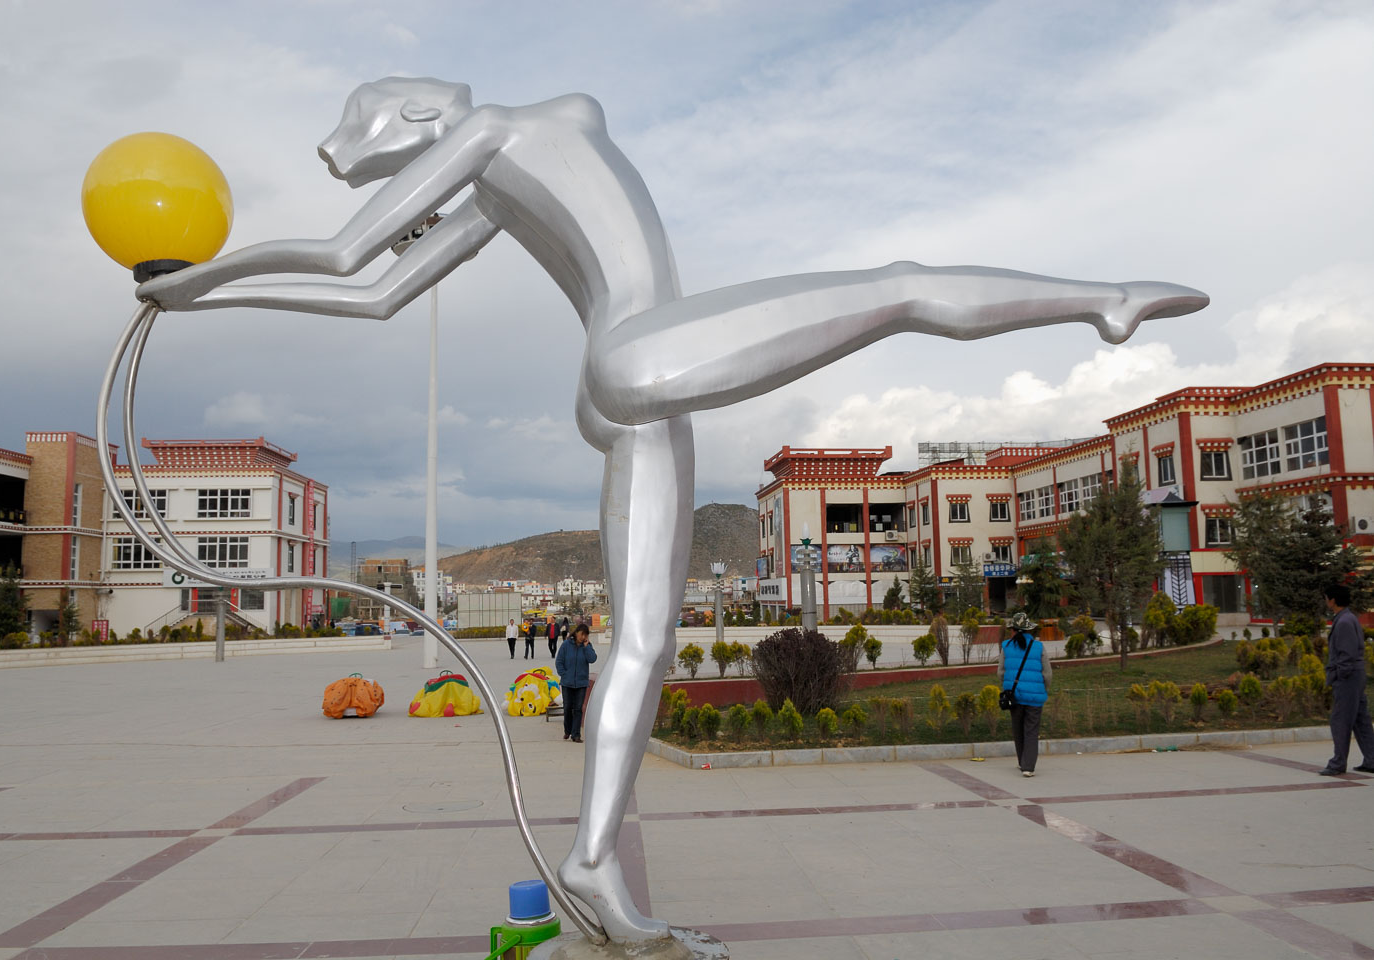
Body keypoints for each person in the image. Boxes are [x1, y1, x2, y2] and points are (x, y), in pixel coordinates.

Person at [137, 77, 1208, 943]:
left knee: (646, 643)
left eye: (361, 140)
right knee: (900, 284)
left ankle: (594, 858)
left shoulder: (490, 161)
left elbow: (365, 292)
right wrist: (202, 282)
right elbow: (348, 262)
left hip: (639, 392)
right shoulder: (500, 132)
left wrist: (210, 287)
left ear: (416, 118)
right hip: (643, 355)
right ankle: (1096, 300)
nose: (356, 159)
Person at [1318, 583, 1374, 776]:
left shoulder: (1343, 622)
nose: (1326, 601)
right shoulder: (1348, 618)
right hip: (1354, 674)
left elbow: (1347, 655)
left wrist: (1338, 675)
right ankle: (1371, 760)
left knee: (1340, 720)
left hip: (1348, 677)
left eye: (1326, 598)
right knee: (1360, 719)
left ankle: (1337, 763)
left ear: (1332, 600)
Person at [997, 612, 1051, 777]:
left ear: (1013, 630)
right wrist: (1043, 689)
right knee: (1031, 731)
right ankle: (1028, 767)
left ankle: (1022, 762)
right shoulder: (1038, 647)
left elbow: (1001, 672)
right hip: (1035, 697)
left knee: (1018, 730)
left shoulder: (1006, 646)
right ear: (1028, 630)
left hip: (1015, 695)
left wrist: (1007, 686)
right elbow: (1047, 673)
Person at [556, 623, 598, 743]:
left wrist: (586, 647)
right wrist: (563, 674)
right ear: (576, 632)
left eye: (585, 635)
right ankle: (567, 731)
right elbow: (559, 661)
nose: (582, 637)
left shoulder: (587, 646)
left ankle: (576, 734)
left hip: (581, 683)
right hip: (567, 683)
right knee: (568, 707)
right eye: (581, 634)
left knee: (578, 709)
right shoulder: (566, 645)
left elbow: (592, 659)